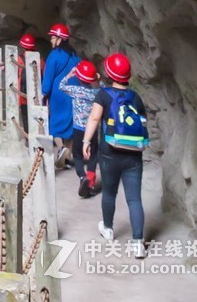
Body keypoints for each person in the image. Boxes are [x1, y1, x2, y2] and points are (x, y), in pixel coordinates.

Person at [82, 51, 149, 256]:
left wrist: (86, 141)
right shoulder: (135, 97)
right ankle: (138, 243)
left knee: (110, 193)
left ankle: (108, 229)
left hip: (109, 152)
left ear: (109, 74)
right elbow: (143, 123)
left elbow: (94, 119)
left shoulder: (103, 95)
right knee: (134, 199)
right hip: (133, 155)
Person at [59, 57, 100, 194]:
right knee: (93, 156)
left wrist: (69, 74)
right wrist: (97, 80)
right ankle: (91, 182)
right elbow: (106, 90)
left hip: (78, 129)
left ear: (79, 78)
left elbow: (61, 86)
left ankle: (82, 177)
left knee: (77, 155)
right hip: (92, 130)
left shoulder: (76, 90)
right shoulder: (97, 93)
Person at [40, 21, 79, 161]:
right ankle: (68, 156)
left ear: (59, 39)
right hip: (73, 93)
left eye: (53, 37)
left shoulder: (54, 55)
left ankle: (61, 148)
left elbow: (48, 76)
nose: (51, 39)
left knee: (55, 123)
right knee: (70, 122)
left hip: (59, 94)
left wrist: (44, 93)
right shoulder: (75, 55)